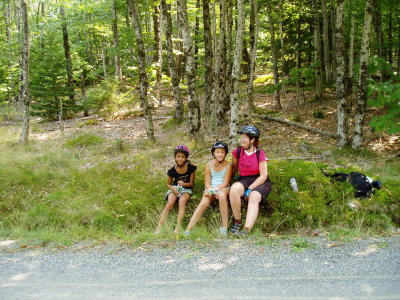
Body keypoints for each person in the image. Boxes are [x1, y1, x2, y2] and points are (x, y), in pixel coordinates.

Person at [229, 125, 272, 237]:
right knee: (234, 189)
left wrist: (250, 189)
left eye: (245, 137)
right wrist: (227, 182)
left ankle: (246, 229)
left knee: (254, 196)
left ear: (252, 140)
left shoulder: (259, 153)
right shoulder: (237, 152)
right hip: (244, 179)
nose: (242, 139)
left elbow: (263, 176)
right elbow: (233, 168)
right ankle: (237, 221)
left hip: (260, 181)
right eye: (241, 137)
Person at [184, 142, 232, 237]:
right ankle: (188, 230)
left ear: (225, 153)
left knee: (222, 196)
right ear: (213, 153)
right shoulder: (209, 164)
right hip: (210, 188)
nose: (220, 154)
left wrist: (215, 190)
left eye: (222, 152)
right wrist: (210, 190)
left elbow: (226, 183)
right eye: (217, 152)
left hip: (223, 188)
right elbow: (207, 182)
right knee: (204, 202)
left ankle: (224, 228)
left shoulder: (228, 165)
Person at [155, 145, 197, 234]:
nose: (180, 159)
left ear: (186, 158)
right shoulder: (172, 170)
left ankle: (178, 227)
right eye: (178, 157)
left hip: (186, 189)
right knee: (170, 202)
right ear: (175, 157)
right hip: (175, 188)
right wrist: (173, 188)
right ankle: (159, 227)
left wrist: (184, 184)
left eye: (183, 157)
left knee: (182, 201)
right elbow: (168, 184)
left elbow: (191, 183)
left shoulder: (191, 168)